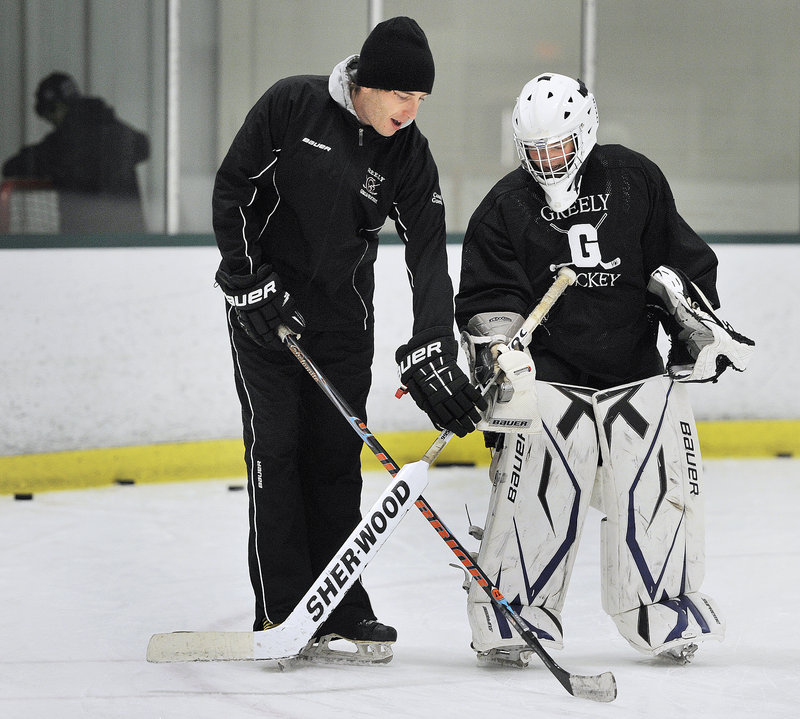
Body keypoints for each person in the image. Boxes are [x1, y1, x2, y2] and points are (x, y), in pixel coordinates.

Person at [455, 73, 754, 667]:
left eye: (559, 148)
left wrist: (691, 323)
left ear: (585, 132)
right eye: (535, 151)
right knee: (536, 492)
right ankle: (515, 608)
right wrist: (497, 348)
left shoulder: (632, 177)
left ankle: (663, 603)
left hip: (635, 370)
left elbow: (677, 262)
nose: (548, 161)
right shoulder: (504, 206)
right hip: (549, 379)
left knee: (659, 488)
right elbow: (489, 295)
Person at [212, 17, 486, 664]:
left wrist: (432, 343)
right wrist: (247, 279)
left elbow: (427, 255)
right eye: (402, 96)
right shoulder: (293, 104)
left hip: (342, 321)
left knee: (336, 459)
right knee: (277, 450)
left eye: (421, 100)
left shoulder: (408, 152)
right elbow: (234, 190)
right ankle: (282, 606)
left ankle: (340, 603)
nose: (411, 110)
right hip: (265, 311)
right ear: (366, 83)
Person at [2, 72, 149, 232]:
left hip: (85, 244)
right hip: (131, 241)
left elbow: (13, 167)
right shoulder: (116, 130)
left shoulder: (62, 144)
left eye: (48, 115)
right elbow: (143, 146)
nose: (51, 122)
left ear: (56, 109)